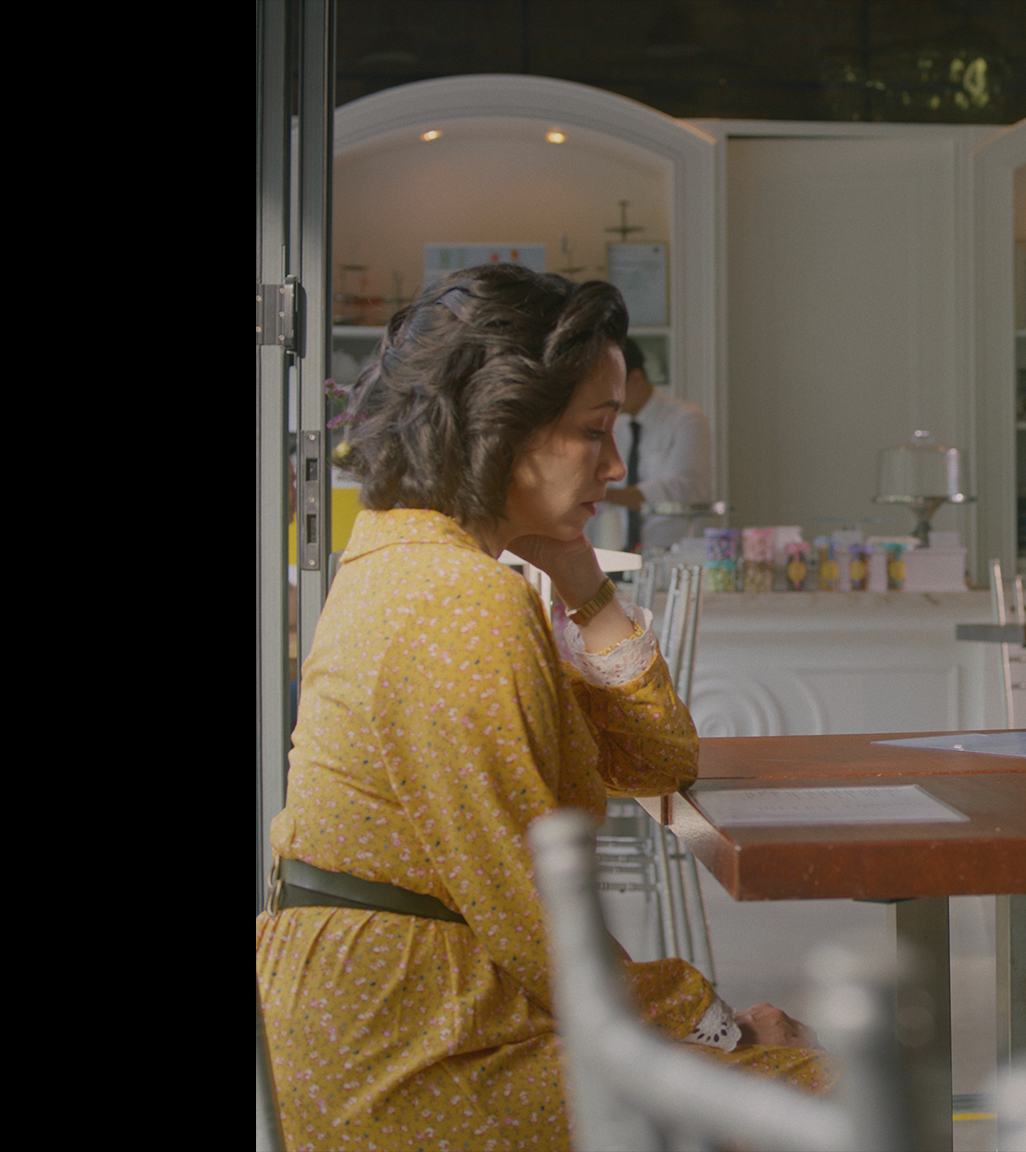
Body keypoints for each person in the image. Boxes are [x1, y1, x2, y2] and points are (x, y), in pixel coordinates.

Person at [256, 265, 826, 1151]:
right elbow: (534, 917)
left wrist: (584, 581)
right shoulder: (462, 602)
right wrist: (715, 1026)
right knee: (828, 1091)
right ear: (501, 426)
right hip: (415, 1044)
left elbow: (658, 762)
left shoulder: (405, 558)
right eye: (594, 432)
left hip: (379, 1018)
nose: (615, 465)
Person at [597, 336, 713, 552]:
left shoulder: (686, 419)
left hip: (676, 552)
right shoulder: (617, 426)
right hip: (623, 551)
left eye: (610, 387)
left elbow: (679, 488)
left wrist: (602, 494)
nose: (605, 397)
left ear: (635, 378)